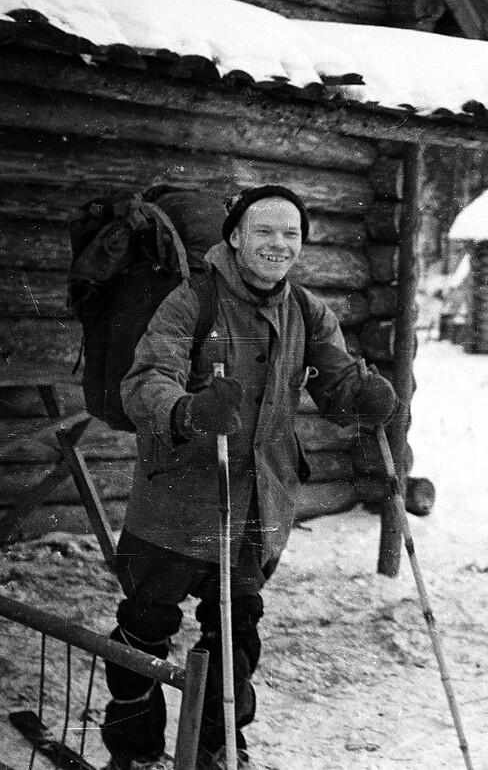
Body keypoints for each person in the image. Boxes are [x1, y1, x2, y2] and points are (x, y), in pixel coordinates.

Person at [102, 185, 399, 770]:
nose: (279, 244)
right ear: (235, 236)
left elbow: (336, 388)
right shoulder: (192, 301)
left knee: (237, 634)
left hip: (255, 508)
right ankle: (134, 753)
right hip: (177, 501)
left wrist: (363, 394)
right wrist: (186, 410)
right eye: (264, 231)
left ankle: (218, 748)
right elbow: (145, 382)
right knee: (145, 625)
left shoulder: (308, 311)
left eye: (291, 233)